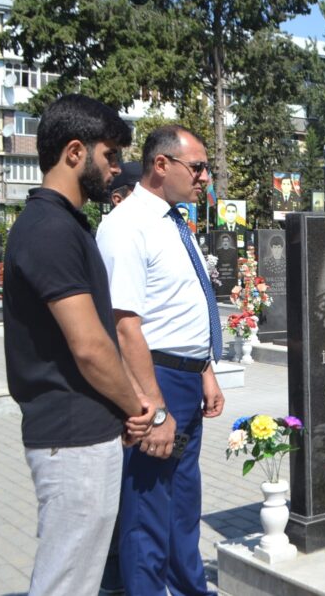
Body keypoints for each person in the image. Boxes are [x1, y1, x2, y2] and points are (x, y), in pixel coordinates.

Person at [3, 94, 152, 596]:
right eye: (109, 155)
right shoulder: (49, 229)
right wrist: (139, 408)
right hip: (71, 439)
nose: (116, 168)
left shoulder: (64, 224)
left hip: (84, 433)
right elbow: (89, 345)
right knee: (65, 584)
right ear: (74, 152)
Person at [96, 124, 225, 596]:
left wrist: (205, 370)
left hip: (186, 379)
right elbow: (124, 325)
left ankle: (188, 588)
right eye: (198, 167)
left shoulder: (173, 221)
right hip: (156, 380)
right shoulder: (126, 225)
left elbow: (178, 306)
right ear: (161, 164)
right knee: (148, 508)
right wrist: (155, 409)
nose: (205, 178)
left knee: (182, 502)